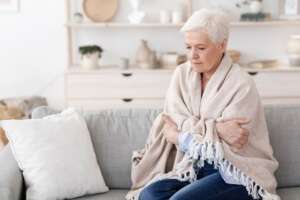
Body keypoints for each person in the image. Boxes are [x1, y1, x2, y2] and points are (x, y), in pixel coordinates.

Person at [126, 8, 279, 200]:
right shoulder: (181, 74)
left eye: (200, 48)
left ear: (222, 45)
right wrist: (218, 129)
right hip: (190, 166)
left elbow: (226, 145)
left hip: (233, 171)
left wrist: (179, 136)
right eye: (188, 47)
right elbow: (173, 119)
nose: (192, 56)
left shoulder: (242, 84)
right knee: (148, 195)